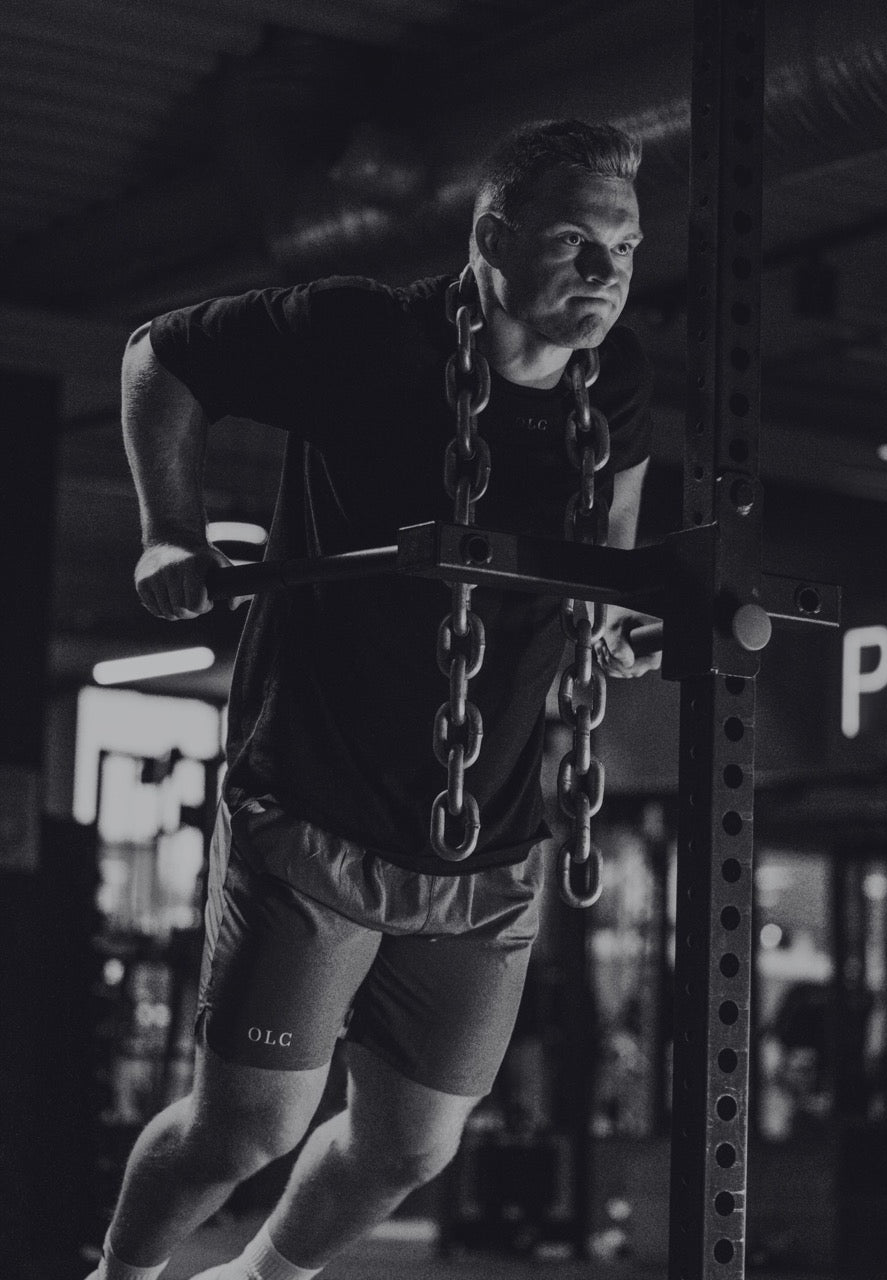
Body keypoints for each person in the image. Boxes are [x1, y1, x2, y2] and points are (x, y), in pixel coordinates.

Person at [90, 118, 660, 1280]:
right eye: (575, 243)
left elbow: (610, 536)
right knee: (243, 1130)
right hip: (315, 799)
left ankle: (257, 1277)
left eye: (627, 248)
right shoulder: (362, 333)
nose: (607, 274)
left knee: (412, 1144)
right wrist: (169, 530)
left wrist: (609, 617)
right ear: (492, 236)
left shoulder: (623, 379)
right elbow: (160, 355)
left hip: (487, 834)